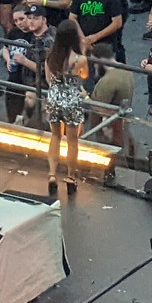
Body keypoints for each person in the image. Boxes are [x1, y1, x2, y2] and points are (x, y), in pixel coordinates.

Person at [44, 19, 88, 195]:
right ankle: (70, 176)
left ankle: (52, 174)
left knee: (55, 136)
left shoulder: (50, 55)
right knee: (72, 141)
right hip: (71, 100)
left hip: (54, 97)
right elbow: (84, 75)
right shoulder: (79, 59)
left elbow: (48, 78)